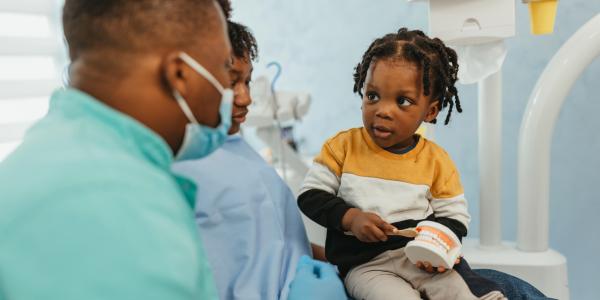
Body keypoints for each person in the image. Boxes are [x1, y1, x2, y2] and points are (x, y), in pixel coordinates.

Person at [0, 0, 232, 298]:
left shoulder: (57, 153)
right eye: (224, 66)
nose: (229, 88)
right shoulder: (113, 199)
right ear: (179, 74)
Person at [298, 28, 507, 300]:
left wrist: (437, 247)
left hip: (421, 259)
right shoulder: (342, 148)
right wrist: (351, 218)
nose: (383, 110)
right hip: (366, 266)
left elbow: (454, 217)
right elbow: (311, 196)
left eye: (402, 101)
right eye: (372, 96)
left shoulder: (436, 160)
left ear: (430, 111)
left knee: (463, 292)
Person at [172, 3, 339, 299]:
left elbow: (273, 242)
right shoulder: (180, 164)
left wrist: (342, 260)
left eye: (247, 81)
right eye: (231, 81)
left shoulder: (238, 148)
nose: (246, 98)